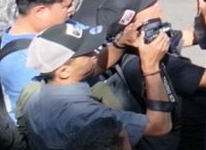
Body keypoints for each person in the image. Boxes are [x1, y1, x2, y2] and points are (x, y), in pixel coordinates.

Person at [17, 22, 174, 150]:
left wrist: (120, 43)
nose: (95, 54)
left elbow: (92, 68)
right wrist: (151, 67)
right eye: (87, 53)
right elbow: (158, 127)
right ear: (64, 71)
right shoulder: (85, 115)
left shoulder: (36, 89)